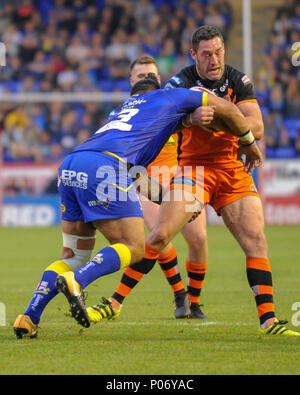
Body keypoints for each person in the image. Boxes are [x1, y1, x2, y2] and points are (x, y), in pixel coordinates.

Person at [87, 25, 300, 336]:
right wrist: (191, 119)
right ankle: (114, 304)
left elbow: (257, 126)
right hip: (193, 170)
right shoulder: (180, 82)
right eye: (206, 54)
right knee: (159, 236)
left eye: (218, 53)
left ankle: (268, 322)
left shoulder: (238, 80)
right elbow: (162, 122)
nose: (214, 60)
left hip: (230, 169)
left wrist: (217, 121)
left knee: (256, 242)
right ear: (193, 55)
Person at [13, 75, 262, 338]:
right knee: (134, 246)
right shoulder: (168, 96)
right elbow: (228, 108)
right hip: (105, 166)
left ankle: (29, 317)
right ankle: (78, 281)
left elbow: (138, 178)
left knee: (73, 256)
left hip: (73, 164)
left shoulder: (124, 115)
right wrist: (249, 143)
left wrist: (177, 201)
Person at [108, 55, 212, 320]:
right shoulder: (120, 114)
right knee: (160, 235)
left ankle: (194, 302)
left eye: (152, 76)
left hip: (177, 177)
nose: (147, 80)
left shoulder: (172, 106)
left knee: (198, 239)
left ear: (160, 81)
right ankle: (179, 294)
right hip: (143, 180)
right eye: (142, 77)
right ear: (132, 81)